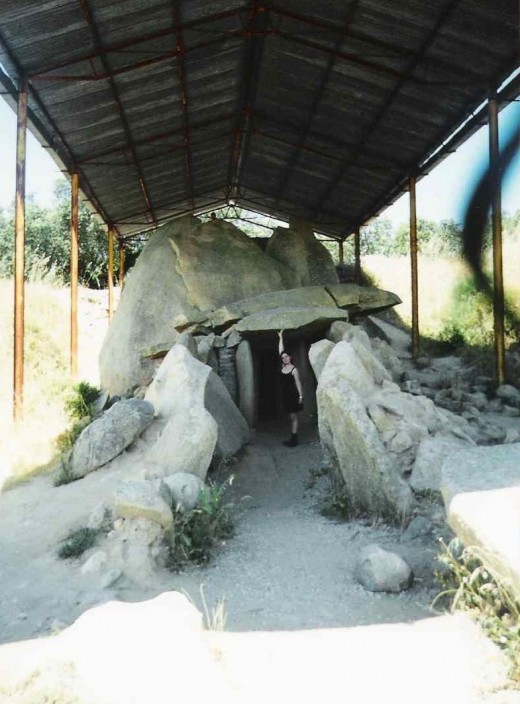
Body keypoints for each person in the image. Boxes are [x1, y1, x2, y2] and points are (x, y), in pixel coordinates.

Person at [278, 330, 303, 447]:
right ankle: (293, 437)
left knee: (293, 416)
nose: (285, 358)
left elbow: (298, 383)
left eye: (286, 356)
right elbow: (280, 351)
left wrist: (301, 396)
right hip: (285, 395)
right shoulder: (283, 366)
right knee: (290, 417)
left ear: (290, 357)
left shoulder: (294, 369)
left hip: (293, 395)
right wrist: (280, 337)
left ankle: (294, 439)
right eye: (283, 357)